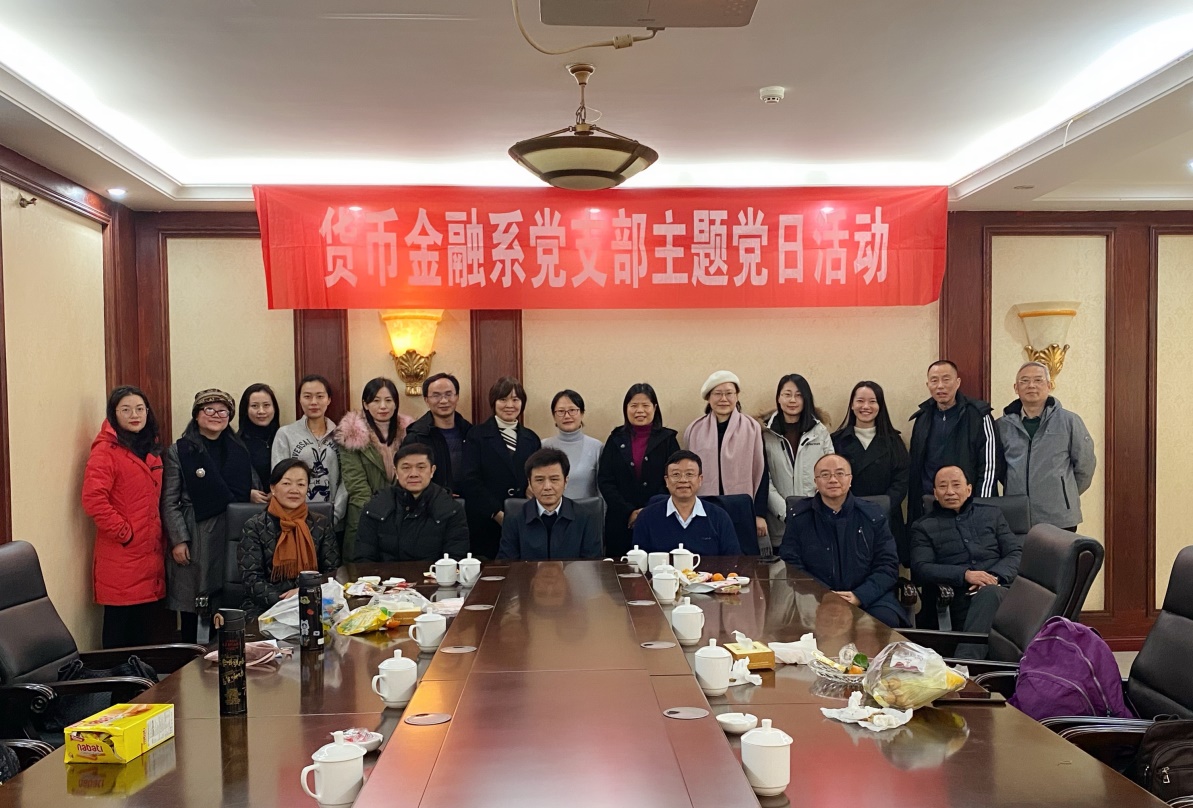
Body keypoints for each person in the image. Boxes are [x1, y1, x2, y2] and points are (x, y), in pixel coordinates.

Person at [162, 389, 259, 643]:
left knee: (226, 602)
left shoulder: (239, 449)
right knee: (193, 604)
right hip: (195, 533)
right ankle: (190, 659)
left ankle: (224, 656)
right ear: (196, 415)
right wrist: (179, 540)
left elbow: (247, 487)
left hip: (232, 532)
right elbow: (169, 500)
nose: (216, 415)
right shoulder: (180, 450)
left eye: (223, 411)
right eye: (209, 409)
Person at [81, 385, 166, 649]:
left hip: (150, 555)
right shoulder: (105, 451)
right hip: (121, 556)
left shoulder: (149, 448)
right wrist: (125, 533)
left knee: (143, 636)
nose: (134, 415)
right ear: (113, 414)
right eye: (126, 410)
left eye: (140, 409)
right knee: (119, 635)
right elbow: (93, 499)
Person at [780, 454, 908, 628]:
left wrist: (860, 595)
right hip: (815, 596)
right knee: (795, 628)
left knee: (882, 624)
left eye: (840, 473)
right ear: (816, 481)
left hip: (869, 597)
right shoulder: (799, 517)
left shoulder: (872, 515)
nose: (833, 480)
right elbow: (791, 565)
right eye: (825, 475)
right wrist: (824, 593)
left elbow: (888, 565)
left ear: (850, 479)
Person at [909, 466, 1022, 646]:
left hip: (1001, 587)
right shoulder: (923, 527)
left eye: (956, 485)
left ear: (969, 490)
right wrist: (965, 575)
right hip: (958, 597)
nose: (950, 492)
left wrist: (993, 577)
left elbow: (1015, 552)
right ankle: (970, 659)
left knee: (992, 594)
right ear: (935, 493)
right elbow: (922, 567)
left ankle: (966, 660)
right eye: (943, 486)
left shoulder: (991, 514)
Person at [997, 362, 1096, 530]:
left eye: (1038, 380)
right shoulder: (1002, 425)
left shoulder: (1069, 421)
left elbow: (1085, 466)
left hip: (1059, 517)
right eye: (1024, 381)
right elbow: (999, 469)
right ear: (1016, 388)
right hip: (1017, 515)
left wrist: (1065, 493)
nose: (1031, 385)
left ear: (1049, 386)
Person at [238, 458, 339, 617]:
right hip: (265, 607)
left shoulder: (321, 523)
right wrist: (288, 602)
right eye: (286, 483)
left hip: (312, 602)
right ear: (273, 488)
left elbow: (331, 573)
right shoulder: (255, 526)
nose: (294, 490)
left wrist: (305, 594)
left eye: (301, 484)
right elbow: (251, 579)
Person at [907, 360, 1001, 526]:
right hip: (930, 505)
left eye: (946, 379)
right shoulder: (922, 418)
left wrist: (981, 507)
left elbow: (990, 467)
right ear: (928, 385)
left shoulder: (979, 415)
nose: (940, 386)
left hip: (968, 506)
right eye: (934, 380)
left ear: (957, 382)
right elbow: (916, 467)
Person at [460, 376, 542, 559]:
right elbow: (470, 480)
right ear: (493, 402)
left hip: (524, 519)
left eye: (515, 399)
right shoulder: (476, 435)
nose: (509, 405)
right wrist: (496, 513)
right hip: (485, 520)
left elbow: (538, 475)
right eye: (503, 399)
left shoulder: (531, 438)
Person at [598, 383, 682, 558]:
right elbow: (605, 480)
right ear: (626, 408)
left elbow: (675, 478)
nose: (640, 411)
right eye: (634, 405)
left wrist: (647, 512)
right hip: (620, 520)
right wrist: (628, 511)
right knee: (620, 568)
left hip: (659, 517)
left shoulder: (668, 439)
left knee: (658, 567)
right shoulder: (615, 439)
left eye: (645, 405)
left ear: (655, 408)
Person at [684, 370, 768, 543]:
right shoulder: (694, 430)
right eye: (717, 394)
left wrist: (759, 513)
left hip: (741, 509)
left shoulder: (752, 428)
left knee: (740, 555)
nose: (723, 399)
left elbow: (761, 472)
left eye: (729, 393)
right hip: (704, 507)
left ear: (737, 396)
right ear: (708, 398)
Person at [831, 380, 911, 563]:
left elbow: (901, 481)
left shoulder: (894, 441)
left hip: (886, 517)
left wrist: (881, 507)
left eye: (872, 401)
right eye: (860, 401)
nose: (865, 406)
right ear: (852, 405)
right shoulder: (837, 441)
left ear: (880, 406)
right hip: (847, 516)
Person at [335, 377, 414, 561]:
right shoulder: (351, 434)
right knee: (362, 570)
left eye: (388, 400)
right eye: (376, 400)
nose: (383, 406)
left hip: (404, 514)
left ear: (396, 403)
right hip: (364, 513)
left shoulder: (410, 433)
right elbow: (356, 484)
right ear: (366, 404)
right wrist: (380, 511)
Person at [356, 443, 469, 562]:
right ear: (396, 472)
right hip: (385, 574)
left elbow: (456, 558)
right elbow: (364, 559)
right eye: (406, 468)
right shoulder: (375, 507)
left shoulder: (450, 509)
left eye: (421, 467)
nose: (413, 474)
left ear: (432, 471)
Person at [761, 373, 834, 550]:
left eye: (799, 395)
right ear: (779, 398)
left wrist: (815, 509)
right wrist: (786, 513)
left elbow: (830, 472)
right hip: (779, 524)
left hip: (816, 520)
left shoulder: (819, 431)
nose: (792, 400)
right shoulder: (765, 433)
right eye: (787, 394)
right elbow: (763, 479)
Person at [497, 448, 602, 561]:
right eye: (539, 480)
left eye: (554, 479)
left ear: (565, 482)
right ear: (530, 483)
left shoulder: (586, 517)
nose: (547, 487)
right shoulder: (514, 518)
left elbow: (592, 564)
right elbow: (508, 565)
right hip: (527, 573)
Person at [272, 374, 347, 529]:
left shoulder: (342, 435)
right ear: (299, 399)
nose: (314, 402)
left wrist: (335, 515)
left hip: (333, 520)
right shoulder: (285, 434)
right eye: (307, 396)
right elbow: (279, 477)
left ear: (329, 399)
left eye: (320, 396)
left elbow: (346, 480)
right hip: (294, 521)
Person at [632, 450, 741, 556]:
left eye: (689, 474)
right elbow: (638, 561)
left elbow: (733, 561)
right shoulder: (647, 517)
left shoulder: (719, 517)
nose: (683, 480)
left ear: (700, 480)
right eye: (676, 474)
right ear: (667, 481)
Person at [402, 372, 473, 494]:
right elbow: (409, 477)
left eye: (449, 394)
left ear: (457, 397)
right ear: (426, 400)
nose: (444, 401)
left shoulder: (470, 432)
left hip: (469, 501)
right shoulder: (416, 437)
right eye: (436, 395)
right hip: (432, 502)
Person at [541, 389, 603, 500]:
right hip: (552, 509)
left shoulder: (596, 447)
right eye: (561, 411)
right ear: (554, 416)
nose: (567, 416)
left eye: (572, 410)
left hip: (586, 510)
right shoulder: (543, 446)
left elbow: (602, 490)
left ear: (582, 413)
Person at [237, 383, 279, 504]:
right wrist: (246, 493)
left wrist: (278, 492)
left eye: (266, 405)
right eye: (254, 406)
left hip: (282, 507)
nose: (261, 411)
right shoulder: (235, 443)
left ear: (274, 408)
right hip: (249, 509)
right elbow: (228, 479)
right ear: (246, 409)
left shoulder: (284, 438)